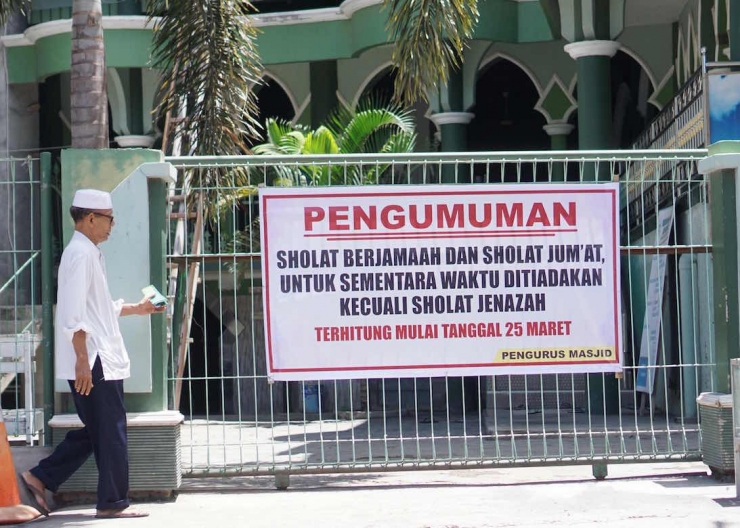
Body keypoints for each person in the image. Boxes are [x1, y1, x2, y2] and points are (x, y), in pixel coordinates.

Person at [21, 189, 166, 519]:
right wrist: (83, 360)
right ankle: (111, 503)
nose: (112, 226)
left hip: (96, 356)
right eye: (109, 219)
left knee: (98, 429)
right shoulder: (82, 254)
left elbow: (96, 309)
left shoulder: (87, 253)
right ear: (90, 218)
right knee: (111, 430)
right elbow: (74, 314)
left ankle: (41, 477)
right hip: (94, 359)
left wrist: (137, 308)